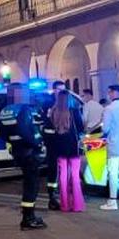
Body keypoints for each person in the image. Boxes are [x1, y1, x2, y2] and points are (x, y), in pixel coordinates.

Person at [0, 84, 47, 230]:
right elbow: (25, 130)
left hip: (18, 151)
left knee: (28, 183)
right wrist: (37, 143)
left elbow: (0, 131)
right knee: (32, 185)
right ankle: (28, 218)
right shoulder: (24, 109)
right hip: (29, 151)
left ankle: (28, 215)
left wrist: (13, 141)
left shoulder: (5, 110)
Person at [42, 82, 84, 211]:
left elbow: (47, 128)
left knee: (63, 176)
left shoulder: (53, 111)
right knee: (75, 176)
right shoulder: (74, 111)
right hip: (72, 147)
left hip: (58, 147)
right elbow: (81, 127)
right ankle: (77, 204)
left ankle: (65, 204)